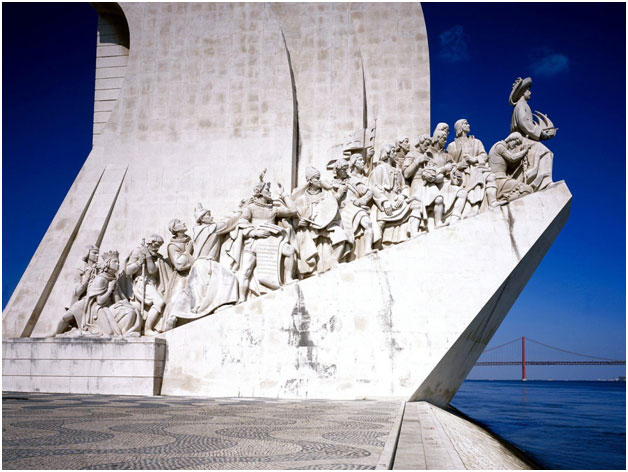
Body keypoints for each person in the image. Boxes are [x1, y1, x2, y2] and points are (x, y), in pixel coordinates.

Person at [161, 205, 241, 331]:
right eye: (208, 215)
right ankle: (220, 305)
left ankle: (174, 315)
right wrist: (241, 210)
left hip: (198, 264)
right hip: (206, 263)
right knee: (227, 280)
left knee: (193, 292)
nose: (211, 216)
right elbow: (229, 223)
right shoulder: (212, 228)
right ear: (202, 219)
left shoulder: (194, 231)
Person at [237, 174, 298, 302]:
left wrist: (284, 195)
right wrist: (255, 233)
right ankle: (242, 297)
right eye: (267, 189)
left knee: (290, 251)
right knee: (246, 270)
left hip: (272, 242)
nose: (269, 191)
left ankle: (288, 279)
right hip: (255, 241)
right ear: (259, 192)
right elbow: (241, 222)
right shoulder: (250, 208)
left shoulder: (273, 209)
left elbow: (293, 210)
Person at [57, 250, 141, 337]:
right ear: (108, 263)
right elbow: (100, 301)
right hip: (92, 306)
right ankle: (70, 333)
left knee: (132, 311)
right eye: (115, 262)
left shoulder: (112, 278)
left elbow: (118, 300)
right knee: (67, 317)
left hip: (104, 307)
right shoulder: (101, 279)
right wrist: (110, 289)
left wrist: (120, 297)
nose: (118, 264)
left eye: (118, 262)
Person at [292, 166, 350, 276]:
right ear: (309, 181)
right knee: (302, 238)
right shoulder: (302, 198)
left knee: (341, 235)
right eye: (316, 178)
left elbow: (332, 209)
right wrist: (299, 223)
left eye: (319, 178)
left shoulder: (327, 194)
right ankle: (308, 270)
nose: (319, 181)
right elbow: (294, 218)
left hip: (328, 227)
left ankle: (334, 260)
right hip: (310, 229)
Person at [368, 144, 424, 242]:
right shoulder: (379, 169)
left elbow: (404, 187)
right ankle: (376, 244)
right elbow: (374, 188)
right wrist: (384, 202)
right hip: (385, 203)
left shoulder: (397, 170)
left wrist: (402, 196)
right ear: (388, 154)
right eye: (393, 152)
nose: (395, 154)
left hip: (399, 201)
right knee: (380, 222)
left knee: (416, 204)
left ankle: (414, 232)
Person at [509, 76, 556, 191]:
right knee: (545, 152)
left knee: (545, 153)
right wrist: (540, 133)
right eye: (528, 90)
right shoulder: (521, 105)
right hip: (520, 139)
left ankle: (542, 181)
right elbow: (523, 122)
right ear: (522, 92)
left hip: (527, 138)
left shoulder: (524, 105)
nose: (530, 92)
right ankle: (544, 182)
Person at [447, 119, 501, 213]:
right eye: (466, 124)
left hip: (478, 168)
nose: (469, 125)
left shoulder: (477, 142)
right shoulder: (452, 146)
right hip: (463, 174)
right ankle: (472, 209)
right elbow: (449, 165)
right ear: (460, 127)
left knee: (491, 177)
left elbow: (484, 156)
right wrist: (460, 165)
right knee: (476, 181)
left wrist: (474, 159)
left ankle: (492, 202)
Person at [419, 126, 468, 228]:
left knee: (462, 193)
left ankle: (455, 220)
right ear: (437, 138)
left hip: (444, 183)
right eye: (443, 139)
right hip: (430, 184)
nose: (445, 141)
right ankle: (438, 223)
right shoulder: (427, 154)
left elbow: (453, 170)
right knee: (438, 200)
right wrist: (444, 169)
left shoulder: (447, 156)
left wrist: (455, 174)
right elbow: (428, 174)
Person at [122, 234, 171, 336]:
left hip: (151, 283)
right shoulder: (138, 251)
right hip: (141, 282)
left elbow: (152, 270)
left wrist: (148, 258)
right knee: (159, 302)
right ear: (150, 243)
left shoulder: (155, 257)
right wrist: (139, 262)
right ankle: (148, 328)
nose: (157, 248)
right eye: (156, 245)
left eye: (159, 245)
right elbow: (128, 271)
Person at [332, 156, 378, 256]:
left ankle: (368, 249)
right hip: (342, 212)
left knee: (368, 223)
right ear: (337, 170)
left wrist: (362, 200)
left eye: (346, 169)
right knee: (344, 235)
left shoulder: (352, 180)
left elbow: (369, 191)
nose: (345, 172)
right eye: (342, 170)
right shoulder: (331, 184)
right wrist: (339, 194)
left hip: (355, 208)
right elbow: (329, 203)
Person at [487, 132, 534, 202]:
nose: (516, 146)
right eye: (516, 143)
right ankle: (505, 201)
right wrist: (524, 151)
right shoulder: (499, 146)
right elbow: (513, 157)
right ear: (511, 139)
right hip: (499, 179)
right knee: (526, 189)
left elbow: (512, 164)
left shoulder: (502, 147)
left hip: (502, 179)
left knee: (527, 189)